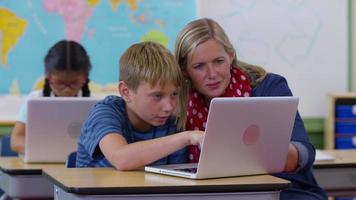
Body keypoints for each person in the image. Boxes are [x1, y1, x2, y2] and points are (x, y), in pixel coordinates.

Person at [174, 18, 327, 200]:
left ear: (231, 56)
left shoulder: (269, 87)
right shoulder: (176, 101)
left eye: (218, 61)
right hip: (213, 194)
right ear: (184, 70)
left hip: (285, 192)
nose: (212, 74)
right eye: (199, 66)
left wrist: (255, 149)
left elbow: (304, 153)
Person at [76, 41, 204, 170]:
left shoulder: (171, 123)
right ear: (126, 92)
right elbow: (121, 159)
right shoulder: (105, 112)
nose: (169, 107)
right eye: (157, 96)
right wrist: (187, 137)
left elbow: (177, 179)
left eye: (174, 94)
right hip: (101, 190)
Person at [10, 40, 92, 154]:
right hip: (40, 164)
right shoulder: (35, 99)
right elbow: (16, 140)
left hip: (80, 166)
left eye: (74, 83)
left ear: (85, 77)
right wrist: (48, 151)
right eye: (60, 83)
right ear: (48, 76)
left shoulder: (95, 104)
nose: (67, 89)